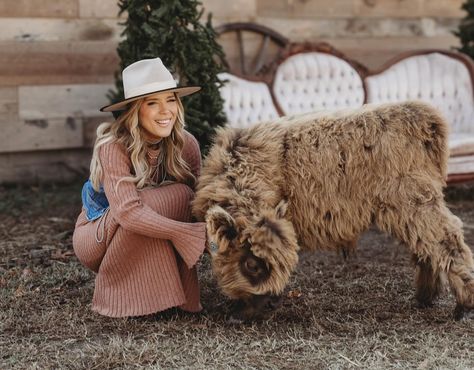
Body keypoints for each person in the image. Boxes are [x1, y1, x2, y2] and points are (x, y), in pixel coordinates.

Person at [72, 57, 207, 317]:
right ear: (135, 110)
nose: (166, 110)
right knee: (164, 199)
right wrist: (183, 233)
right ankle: (123, 297)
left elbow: (200, 201)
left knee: (183, 196)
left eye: (171, 100)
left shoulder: (186, 144)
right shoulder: (114, 145)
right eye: (153, 103)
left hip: (134, 226)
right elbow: (127, 213)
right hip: (96, 236)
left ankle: (169, 298)